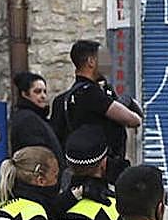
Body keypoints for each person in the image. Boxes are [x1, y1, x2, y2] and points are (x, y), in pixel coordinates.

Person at [50, 40, 142, 182]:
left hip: (82, 170)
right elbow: (133, 120)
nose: (108, 64)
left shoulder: (67, 97)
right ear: (91, 62)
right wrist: (127, 103)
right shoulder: (91, 93)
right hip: (101, 171)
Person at [9, 71, 63, 163]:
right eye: (37, 92)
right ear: (25, 94)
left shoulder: (36, 118)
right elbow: (36, 157)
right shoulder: (28, 120)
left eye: (44, 92)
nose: (43, 96)